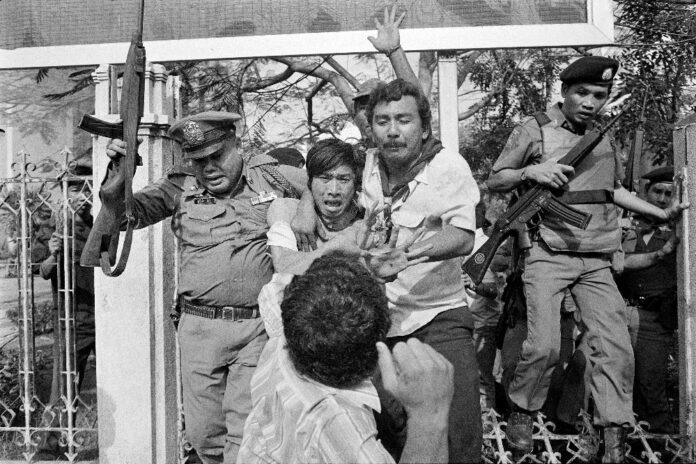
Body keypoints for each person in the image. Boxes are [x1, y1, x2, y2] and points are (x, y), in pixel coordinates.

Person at [486, 55, 688, 462]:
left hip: (596, 259)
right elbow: (496, 177)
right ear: (564, 92)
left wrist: (659, 213)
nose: (590, 102)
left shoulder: (603, 137)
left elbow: (613, 191)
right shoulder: (535, 129)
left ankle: (612, 429)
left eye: (600, 95)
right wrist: (532, 172)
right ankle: (524, 410)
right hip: (548, 254)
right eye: (582, 93)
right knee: (544, 346)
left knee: (615, 347)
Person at [98, 111, 306, 464]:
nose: (209, 168)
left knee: (246, 428)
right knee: (203, 432)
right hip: (199, 329)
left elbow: (333, 189)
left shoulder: (272, 176)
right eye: (198, 161)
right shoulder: (179, 188)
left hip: (257, 328)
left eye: (217, 156)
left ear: (236, 144)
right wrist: (120, 173)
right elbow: (122, 218)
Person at [293, 78, 482, 463]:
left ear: (424, 127)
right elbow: (315, 173)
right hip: (383, 321)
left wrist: (409, 254)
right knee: (391, 431)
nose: (393, 130)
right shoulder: (369, 163)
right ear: (371, 127)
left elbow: (462, 236)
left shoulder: (447, 165)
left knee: (459, 433)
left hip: (438, 317)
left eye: (403, 120)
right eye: (382, 121)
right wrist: (304, 203)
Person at [238, 253, 454, 464]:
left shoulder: (286, 338)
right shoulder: (339, 423)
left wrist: (369, 274)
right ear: (376, 353)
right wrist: (429, 416)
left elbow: (275, 288)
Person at [616, 166, 679, 433]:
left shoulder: (680, 230)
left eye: (668, 193)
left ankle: (661, 443)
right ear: (644, 192)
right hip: (620, 312)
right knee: (618, 381)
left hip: (654, 318)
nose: (662, 199)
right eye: (657, 191)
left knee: (651, 383)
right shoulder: (624, 225)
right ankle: (622, 440)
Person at [40, 164, 95, 393]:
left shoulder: (100, 226)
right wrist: (53, 254)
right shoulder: (52, 229)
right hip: (71, 321)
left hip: (104, 318)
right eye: (75, 190)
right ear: (63, 194)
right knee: (63, 391)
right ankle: (58, 428)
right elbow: (43, 271)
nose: (82, 196)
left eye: (86, 189)